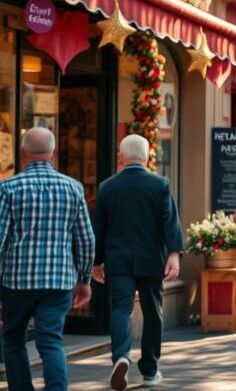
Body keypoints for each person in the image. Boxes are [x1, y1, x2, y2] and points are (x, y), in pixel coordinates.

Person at [0, 128, 95, 391]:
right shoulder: (73, 188)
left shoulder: (7, 189)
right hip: (58, 281)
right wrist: (84, 279)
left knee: (13, 339)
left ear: (22, 154)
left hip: (15, 282)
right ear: (53, 154)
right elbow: (86, 239)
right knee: (51, 341)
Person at [92, 135, 185, 390]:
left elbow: (99, 229)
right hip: (151, 259)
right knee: (153, 311)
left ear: (121, 156)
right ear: (147, 157)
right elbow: (170, 221)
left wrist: (97, 262)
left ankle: (120, 356)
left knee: (121, 308)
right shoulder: (160, 184)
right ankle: (149, 370)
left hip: (118, 260)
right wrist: (174, 254)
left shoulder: (107, 187)